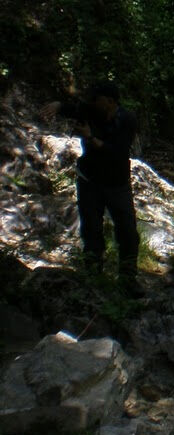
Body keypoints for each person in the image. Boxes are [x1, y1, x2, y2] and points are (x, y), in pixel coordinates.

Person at [41, 81, 144, 298]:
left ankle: (128, 279)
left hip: (117, 183)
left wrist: (90, 137)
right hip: (90, 180)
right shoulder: (90, 110)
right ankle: (93, 278)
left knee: (127, 232)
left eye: (98, 99)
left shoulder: (127, 119)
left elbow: (117, 152)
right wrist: (57, 106)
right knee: (91, 231)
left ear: (110, 101)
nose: (94, 102)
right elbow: (72, 108)